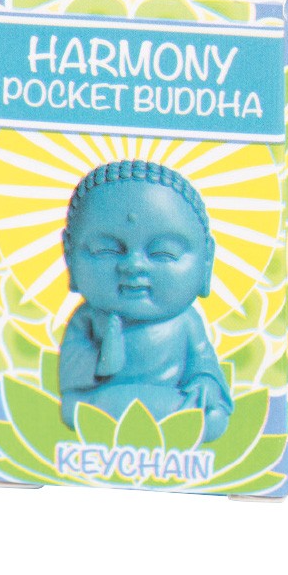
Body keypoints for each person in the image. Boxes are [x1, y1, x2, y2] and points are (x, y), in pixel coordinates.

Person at [58, 160, 233, 441]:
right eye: (106, 250)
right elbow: (75, 380)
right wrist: (107, 350)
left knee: (212, 417)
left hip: (169, 402)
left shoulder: (186, 321)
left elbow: (203, 364)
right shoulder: (87, 320)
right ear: (69, 254)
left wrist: (205, 384)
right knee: (72, 410)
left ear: (206, 261)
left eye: (164, 253)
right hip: (105, 399)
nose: (133, 266)